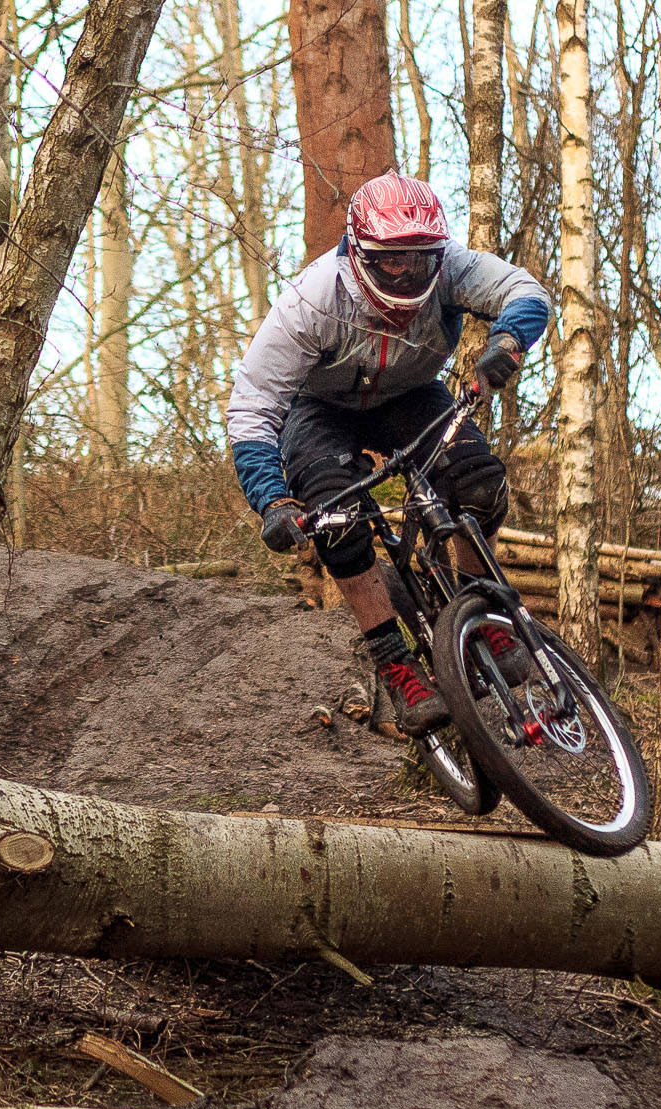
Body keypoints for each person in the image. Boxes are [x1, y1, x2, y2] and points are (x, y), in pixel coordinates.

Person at [225, 171, 551, 735]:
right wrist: (271, 498)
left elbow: (524, 291)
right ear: (358, 252)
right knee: (333, 520)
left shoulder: (451, 264)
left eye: (419, 260)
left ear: (436, 252)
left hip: (411, 394)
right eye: (389, 261)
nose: (405, 273)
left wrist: (508, 340)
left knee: (478, 483)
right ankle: (394, 661)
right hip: (320, 410)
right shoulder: (314, 297)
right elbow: (254, 402)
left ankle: (484, 609)